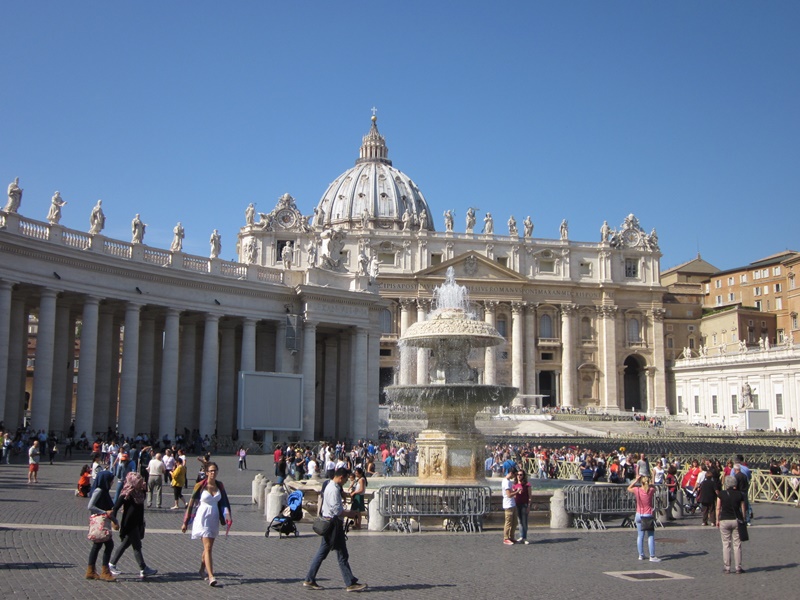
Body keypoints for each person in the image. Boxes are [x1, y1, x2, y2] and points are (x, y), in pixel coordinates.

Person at [303, 467, 367, 592]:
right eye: (345, 480)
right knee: (342, 555)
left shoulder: (332, 486)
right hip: (333, 526)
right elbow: (337, 511)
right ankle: (350, 583)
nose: (346, 482)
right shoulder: (333, 490)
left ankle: (310, 579)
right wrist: (351, 513)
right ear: (341, 477)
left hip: (331, 525)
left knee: (324, 553)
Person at [182, 462, 232, 587]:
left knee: (208, 548)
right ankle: (211, 576)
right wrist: (185, 522)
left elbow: (225, 502)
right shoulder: (200, 485)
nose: (213, 473)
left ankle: (201, 569)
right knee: (208, 547)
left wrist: (227, 516)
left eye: (215, 470)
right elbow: (191, 503)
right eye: (211, 471)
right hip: (202, 517)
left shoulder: (220, 485)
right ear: (206, 472)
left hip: (214, 517)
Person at [108, 472, 158, 578]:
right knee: (137, 546)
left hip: (138, 522)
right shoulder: (127, 493)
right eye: (139, 482)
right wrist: (114, 521)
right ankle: (143, 568)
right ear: (133, 482)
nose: (141, 483)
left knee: (125, 544)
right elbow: (116, 507)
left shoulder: (140, 492)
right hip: (129, 524)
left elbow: (143, 496)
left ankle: (111, 564)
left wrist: (144, 488)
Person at [86, 470, 117, 581]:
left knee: (97, 546)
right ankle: (104, 571)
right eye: (111, 481)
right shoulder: (99, 490)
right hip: (99, 522)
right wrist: (104, 512)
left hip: (103, 522)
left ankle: (91, 571)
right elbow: (90, 506)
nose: (112, 483)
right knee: (108, 545)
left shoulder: (104, 491)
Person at [716, 475, 746, 574]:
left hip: (724, 520)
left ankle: (727, 567)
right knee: (737, 544)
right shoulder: (739, 494)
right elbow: (743, 508)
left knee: (726, 544)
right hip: (736, 520)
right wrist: (744, 519)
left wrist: (717, 519)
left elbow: (718, 507)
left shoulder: (721, 494)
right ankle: (738, 567)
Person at [627, 474, 661, 562]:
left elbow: (628, 488)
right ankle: (652, 556)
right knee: (650, 536)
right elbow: (655, 487)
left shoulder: (637, 490)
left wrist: (636, 480)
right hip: (647, 514)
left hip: (638, 514)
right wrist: (650, 483)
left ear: (640, 482)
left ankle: (641, 555)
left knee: (640, 536)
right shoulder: (651, 490)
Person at [513, 469, 531, 544]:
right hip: (517, 504)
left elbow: (530, 496)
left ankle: (525, 537)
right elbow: (513, 495)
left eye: (521, 475)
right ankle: (521, 536)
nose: (519, 476)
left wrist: (529, 506)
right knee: (519, 521)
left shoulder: (527, 484)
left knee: (524, 522)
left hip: (524, 504)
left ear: (523, 476)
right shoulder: (514, 485)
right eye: (518, 474)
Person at [502, 467, 520, 545]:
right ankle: (506, 538)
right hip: (508, 504)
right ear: (511, 473)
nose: (515, 477)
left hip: (512, 503)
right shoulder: (506, 482)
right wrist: (517, 492)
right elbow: (509, 495)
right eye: (514, 475)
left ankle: (511, 537)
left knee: (514, 522)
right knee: (508, 522)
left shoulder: (508, 481)